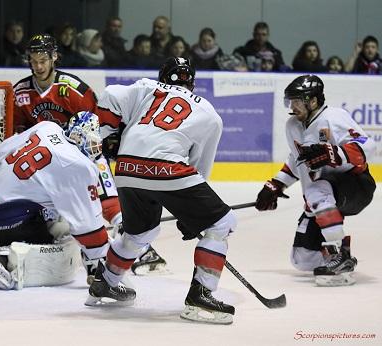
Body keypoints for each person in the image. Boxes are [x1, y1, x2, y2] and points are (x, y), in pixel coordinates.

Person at [88, 57, 238, 325]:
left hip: (126, 167)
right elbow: (199, 170)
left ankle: (106, 282)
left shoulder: (147, 87)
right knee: (222, 222)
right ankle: (200, 296)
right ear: (192, 83)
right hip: (168, 169)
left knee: (141, 232)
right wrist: (192, 219)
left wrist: (108, 133)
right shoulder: (209, 113)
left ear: (162, 76)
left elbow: (110, 94)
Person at [13, 33, 167, 280]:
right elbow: (17, 130)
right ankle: (87, 252)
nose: (38, 66)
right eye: (33, 61)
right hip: (48, 164)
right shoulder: (20, 92)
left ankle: (142, 250)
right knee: (58, 214)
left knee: (108, 203)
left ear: (54, 57)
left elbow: (97, 126)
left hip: (83, 155)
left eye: (43, 60)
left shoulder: (74, 89)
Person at [255, 75, 376, 287]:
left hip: (356, 185)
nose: (292, 106)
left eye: (297, 101)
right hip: (322, 194)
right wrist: (276, 185)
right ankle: (336, 256)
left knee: (316, 192)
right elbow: (296, 161)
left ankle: (339, 256)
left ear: (313, 101)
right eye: (290, 101)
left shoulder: (334, 117)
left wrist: (335, 153)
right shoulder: (292, 125)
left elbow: (368, 145)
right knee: (302, 258)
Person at [0, 111, 109, 289]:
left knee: (52, 202)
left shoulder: (47, 127)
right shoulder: (79, 165)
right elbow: (87, 226)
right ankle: (5, 258)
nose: (95, 147)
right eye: (93, 141)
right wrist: (105, 260)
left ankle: (9, 247)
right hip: (9, 219)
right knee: (66, 230)